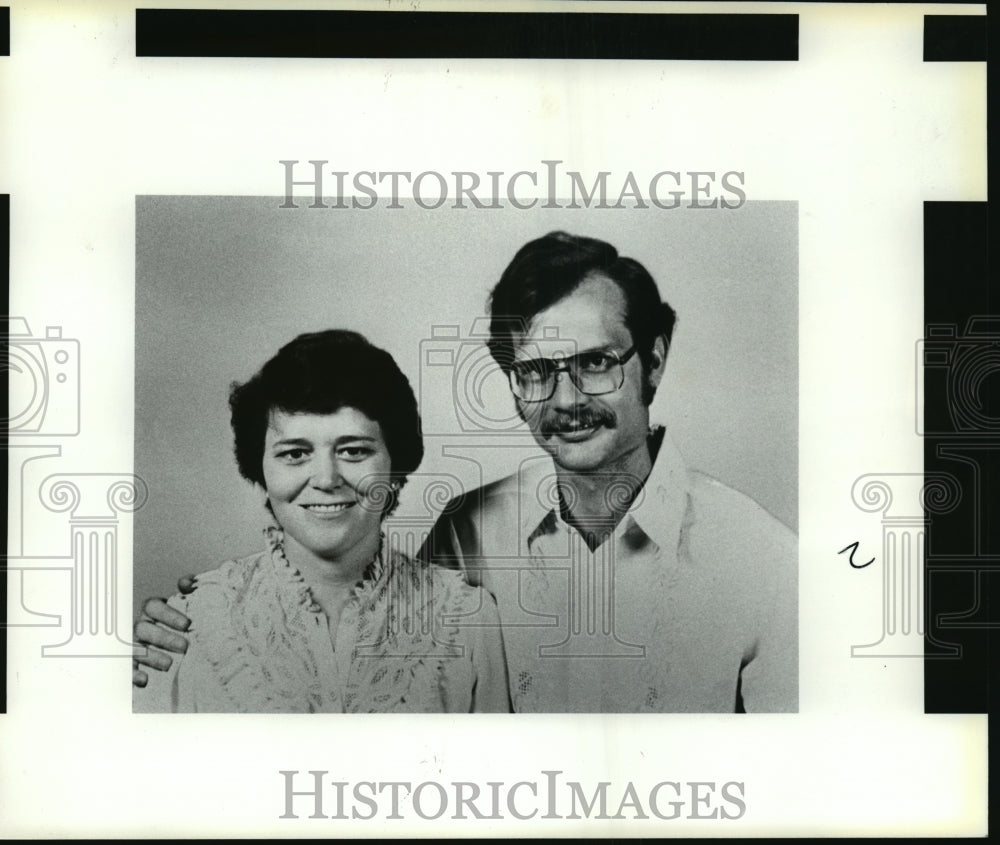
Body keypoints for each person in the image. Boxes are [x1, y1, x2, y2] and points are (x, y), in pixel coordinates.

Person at [136, 232, 796, 713]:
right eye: (535, 372)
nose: (565, 401)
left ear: (652, 360)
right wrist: (188, 626)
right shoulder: (467, 531)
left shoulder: (763, 561)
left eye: (594, 362)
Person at [132, 329, 510, 713]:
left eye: (354, 451)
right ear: (260, 471)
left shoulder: (468, 618)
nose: (327, 479)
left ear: (395, 466)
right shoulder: (188, 624)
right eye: (295, 454)